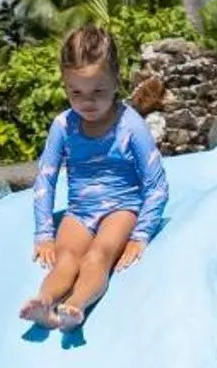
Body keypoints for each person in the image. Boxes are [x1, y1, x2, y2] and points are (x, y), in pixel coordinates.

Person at [19, 25, 169, 330]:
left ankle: (76, 305)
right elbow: (45, 180)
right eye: (76, 92)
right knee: (66, 260)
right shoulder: (63, 125)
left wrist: (141, 235)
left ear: (116, 81)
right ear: (65, 86)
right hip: (80, 211)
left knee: (97, 256)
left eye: (98, 91)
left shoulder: (130, 125)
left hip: (121, 208)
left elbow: (156, 184)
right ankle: (44, 304)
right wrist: (44, 233)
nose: (87, 101)